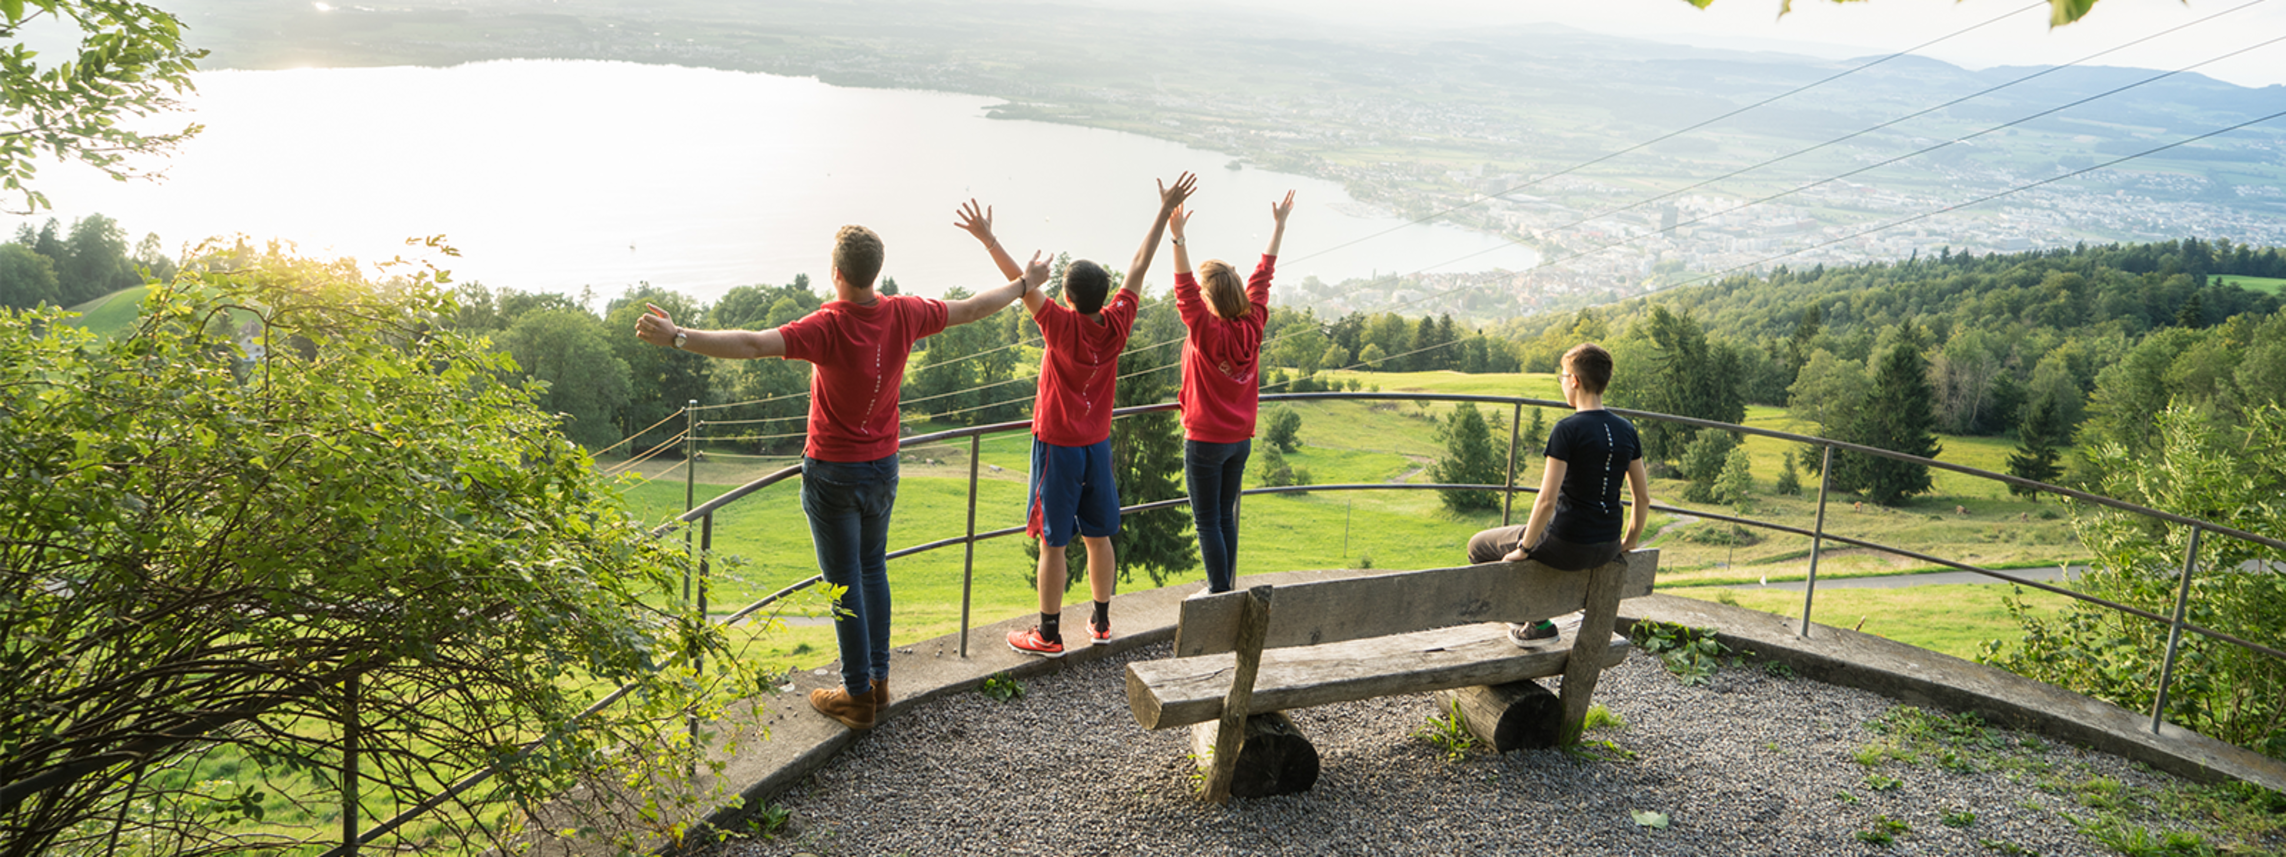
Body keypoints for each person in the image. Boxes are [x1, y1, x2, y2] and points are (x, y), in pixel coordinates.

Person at [634, 225, 1049, 729]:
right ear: (876, 272)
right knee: (872, 569)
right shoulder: (904, 312)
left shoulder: (827, 326)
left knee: (843, 583)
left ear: (836, 274)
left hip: (833, 473)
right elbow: (972, 308)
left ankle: (856, 696)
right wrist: (1024, 284)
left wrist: (678, 336)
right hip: (883, 468)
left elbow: (752, 344)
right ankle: (878, 682)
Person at [955, 173, 1198, 656]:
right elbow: (1139, 265)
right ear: (1104, 295)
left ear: (1067, 298)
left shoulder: (1060, 325)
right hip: (1096, 447)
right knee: (1099, 536)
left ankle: (1048, 634)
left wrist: (988, 239)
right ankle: (1101, 622)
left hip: (1057, 448)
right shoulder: (1118, 322)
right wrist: (1162, 211)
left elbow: (1021, 285)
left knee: (1053, 543)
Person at [1464, 342, 1652, 644]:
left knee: (1478, 547)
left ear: (1574, 380)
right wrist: (1629, 541)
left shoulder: (1567, 429)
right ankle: (1527, 615)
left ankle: (1537, 623)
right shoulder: (1626, 429)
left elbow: (1547, 501)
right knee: (1524, 542)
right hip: (1606, 546)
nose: (1563, 383)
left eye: (1563, 377)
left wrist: (1524, 549)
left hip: (1566, 544)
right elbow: (1642, 498)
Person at [1170, 189, 1294, 593]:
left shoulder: (1206, 330)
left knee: (1207, 521)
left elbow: (1184, 289)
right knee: (1224, 516)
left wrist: (1178, 239)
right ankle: (1223, 588)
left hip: (1206, 440)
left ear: (1209, 298)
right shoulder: (1253, 322)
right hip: (1240, 440)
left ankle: (1219, 593)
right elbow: (1263, 276)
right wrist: (1279, 227)